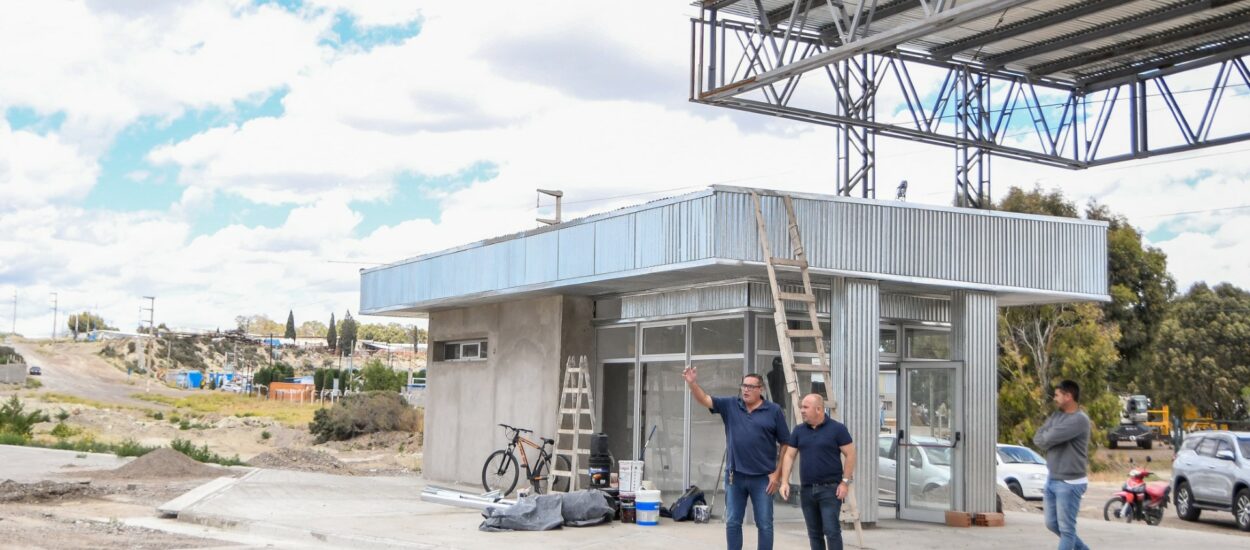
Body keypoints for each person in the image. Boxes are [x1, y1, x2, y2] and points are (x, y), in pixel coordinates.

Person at [685, 367, 790, 550]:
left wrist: (777, 475)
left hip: (764, 479)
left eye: (751, 386)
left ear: (761, 389)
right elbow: (704, 399)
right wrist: (692, 383)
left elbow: (786, 445)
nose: (746, 390)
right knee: (733, 522)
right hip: (735, 477)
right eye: (744, 386)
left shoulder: (774, 411)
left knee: (764, 524)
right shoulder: (731, 405)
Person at [779, 394, 855, 550]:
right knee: (814, 534)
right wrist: (784, 481)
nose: (802, 411)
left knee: (832, 531)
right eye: (801, 407)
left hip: (830, 490)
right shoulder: (799, 431)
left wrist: (845, 482)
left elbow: (851, 454)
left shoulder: (837, 429)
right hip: (807, 490)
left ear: (819, 409)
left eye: (806, 407)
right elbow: (789, 455)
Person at [1033, 380, 1091, 550]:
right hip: (1053, 478)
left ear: (1068, 396)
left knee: (1067, 529)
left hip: (1070, 483)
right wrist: (1048, 436)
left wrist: (1049, 436)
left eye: (1057, 395)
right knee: (1052, 524)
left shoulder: (1080, 420)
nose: (1055, 398)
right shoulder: (1057, 416)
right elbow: (1039, 438)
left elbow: (1048, 438)